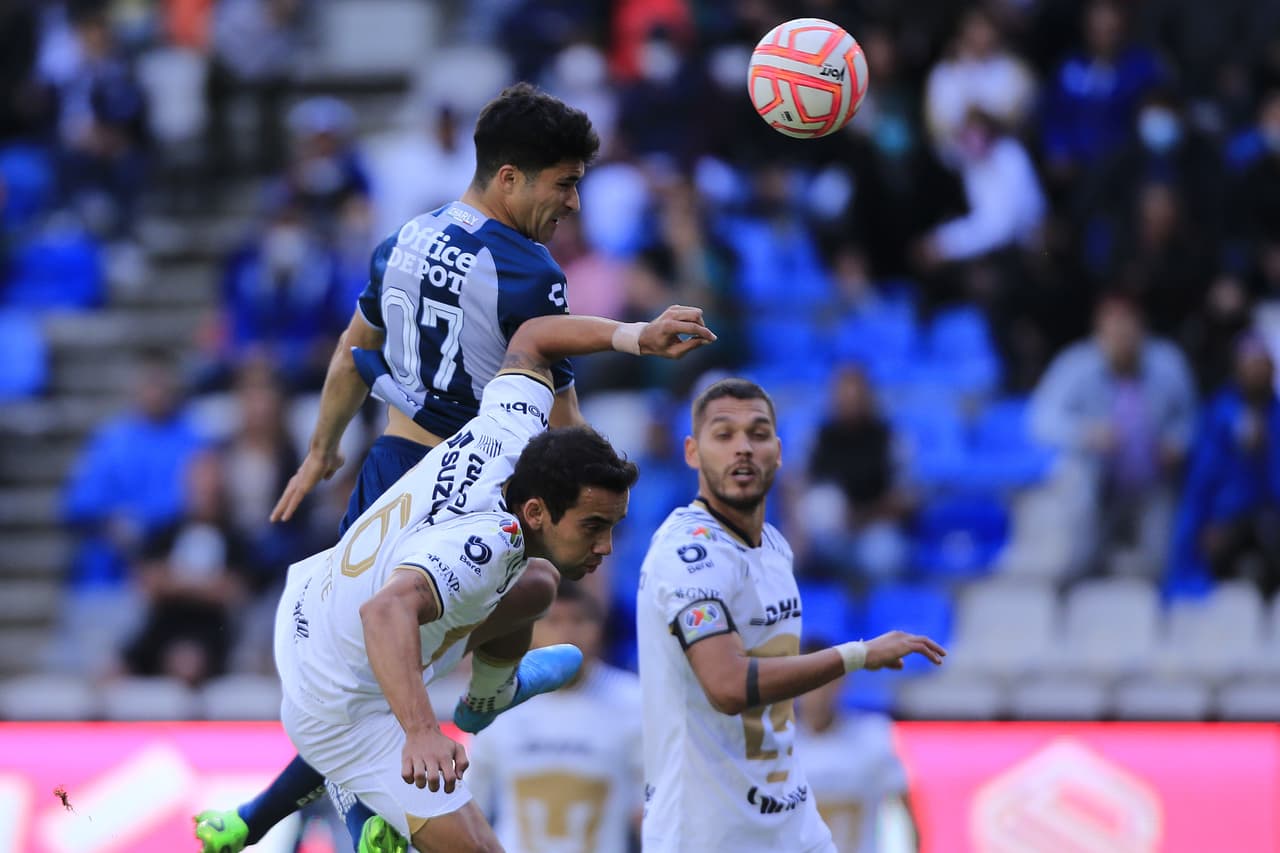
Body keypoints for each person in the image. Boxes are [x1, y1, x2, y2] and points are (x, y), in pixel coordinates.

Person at [196, 81, 603, 852]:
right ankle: (404, 770)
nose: (574, 202)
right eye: (565, 183)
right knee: (494, 605)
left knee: (369, 671)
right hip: (459, 488)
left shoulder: (406, 238)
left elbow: (355, 349)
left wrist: (320, 451)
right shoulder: (533, 274)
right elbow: (560, 413)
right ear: (510, 177)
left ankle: (277, 813)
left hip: (387, 469)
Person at [275, 308, 712, 853]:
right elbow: (384, 614)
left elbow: (532, 336)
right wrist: (420, 733)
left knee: (538, 586)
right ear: (534, 512)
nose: (605, 546)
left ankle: (489, 695)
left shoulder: (513, 428)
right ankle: (363, 789)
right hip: (340, 694)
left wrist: (636, 336)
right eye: (593, 527)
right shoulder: (488, 545)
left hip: (315, 599)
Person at [635, 378, 946, 852]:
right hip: (707, 833)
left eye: (758, 434)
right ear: (693, 452)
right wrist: (858, 655)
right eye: (724, 434)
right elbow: (727, 685)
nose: (743, 448)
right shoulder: (688, 552)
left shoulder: (775, 547)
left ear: (778, 452)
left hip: (789, 824)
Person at [466, 581, 643, 853]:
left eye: (580, 620)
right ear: (531, 630)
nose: (567, 632)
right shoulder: (499, 700)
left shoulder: (633, 701)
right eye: (553, 621)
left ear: (601, 628)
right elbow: (469, 803)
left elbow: (649, 808)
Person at [794, 640, 921, 853]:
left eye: (824, 681)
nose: (817, 691)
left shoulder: (873, 736)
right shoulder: (773, 745)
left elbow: (903, 811)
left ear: (841, 682)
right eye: (807, 682)